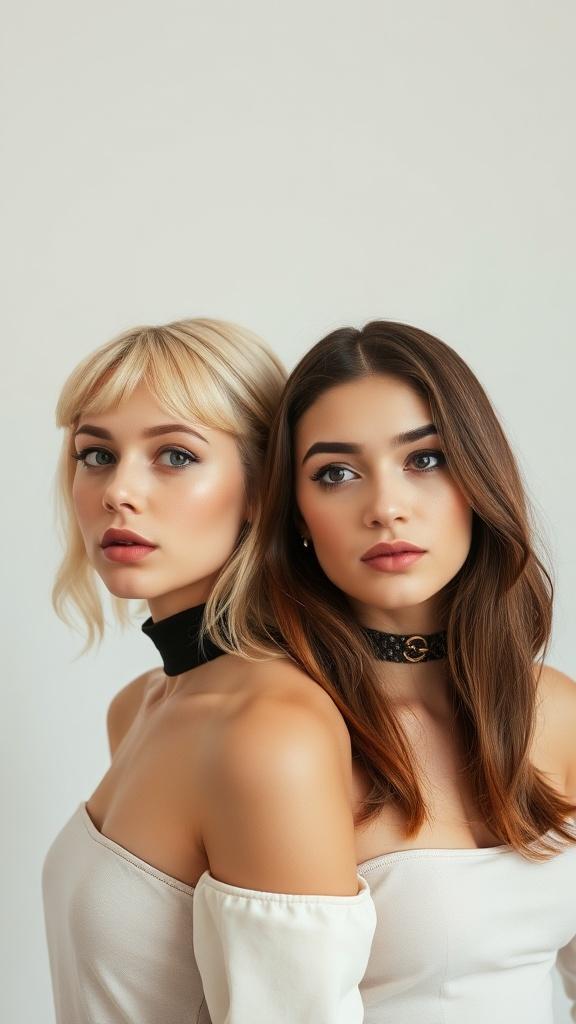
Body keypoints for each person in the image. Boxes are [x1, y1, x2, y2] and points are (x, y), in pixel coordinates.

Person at [206, 320, 576, 1024]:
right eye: (336, 474)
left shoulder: (554, 710)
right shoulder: (284, 737)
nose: (385, 508)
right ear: (298, 515)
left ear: (480, 478)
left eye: (426, 460)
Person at [41, 318, 377, 1024]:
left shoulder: (270, 732)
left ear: (261, 488)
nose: (117, 491)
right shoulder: (139, 705)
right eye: (96, 454)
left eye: (174, 455)